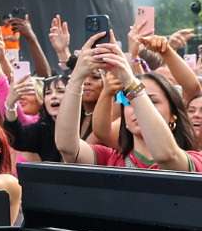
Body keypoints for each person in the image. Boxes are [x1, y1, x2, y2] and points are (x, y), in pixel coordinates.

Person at [56, 35, 200, 171]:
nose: (138, 107)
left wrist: (130, 83)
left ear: (173, 116)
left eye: (152, 101)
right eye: (130, 101)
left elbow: (166, 156)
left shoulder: (196, 160)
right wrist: (77, 76)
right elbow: (67, 148)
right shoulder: (109, 159)